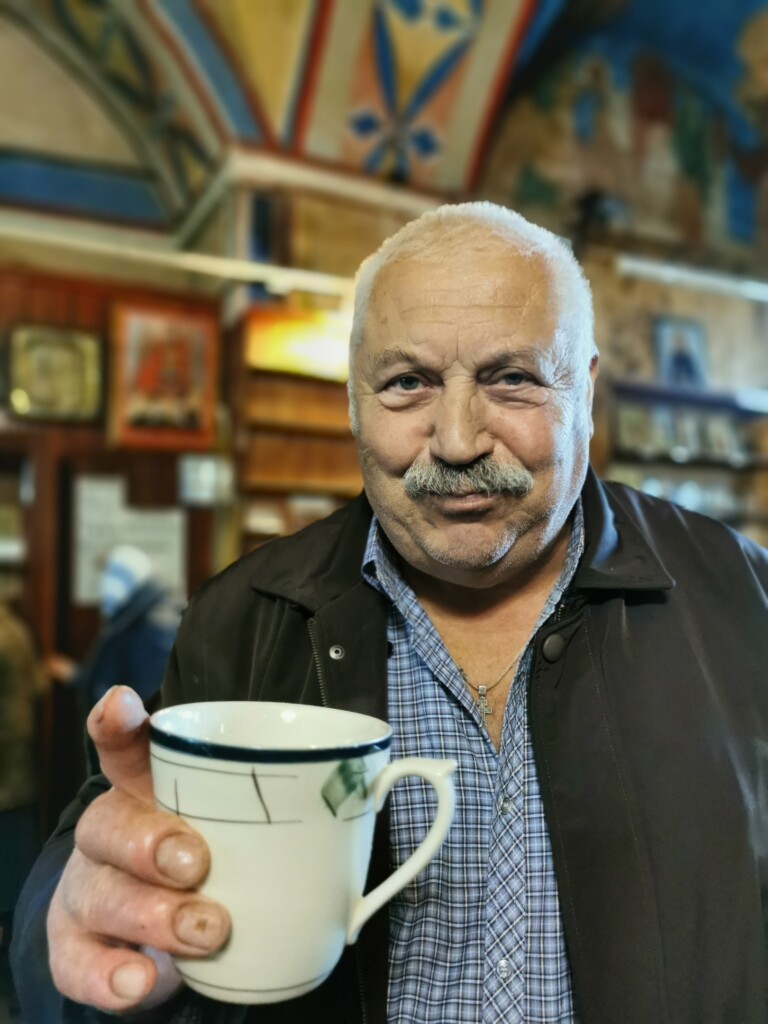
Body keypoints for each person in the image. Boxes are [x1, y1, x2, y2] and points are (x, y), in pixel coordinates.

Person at [11, 203, 768, 1024]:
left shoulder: (742, 603)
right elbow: (98, 867)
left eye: (512, 379)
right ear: (353, 401)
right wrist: (84, 936)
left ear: (584, 391)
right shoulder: (245, 617)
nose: (457, 441)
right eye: (408, 383)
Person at [46, 545, 182, 775]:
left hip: (125, 761)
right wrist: (77, 677)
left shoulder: (152, 627)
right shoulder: (132, 615)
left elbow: (143, 704)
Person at [0, 592, 47, 1020]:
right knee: (15, 893)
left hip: (5, 783)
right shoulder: (14, 629)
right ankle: (15, 985)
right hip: (17, 779)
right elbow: (38, 685)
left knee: (11, 892)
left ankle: (13, 988)